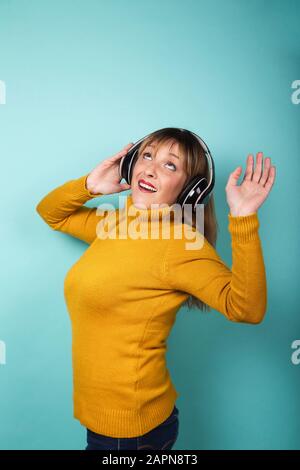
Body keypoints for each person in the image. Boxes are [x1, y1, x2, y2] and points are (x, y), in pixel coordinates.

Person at [35, 128, 276, 450]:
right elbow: (50, 214)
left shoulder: (180, 244)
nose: (149, 168)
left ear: (191, 190)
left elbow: (246, 308)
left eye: (170, 165)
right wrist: (90, 186)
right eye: (146, 156)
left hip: (130, 431)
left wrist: (244, 218)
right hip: (107, 420)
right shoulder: (115, 224)